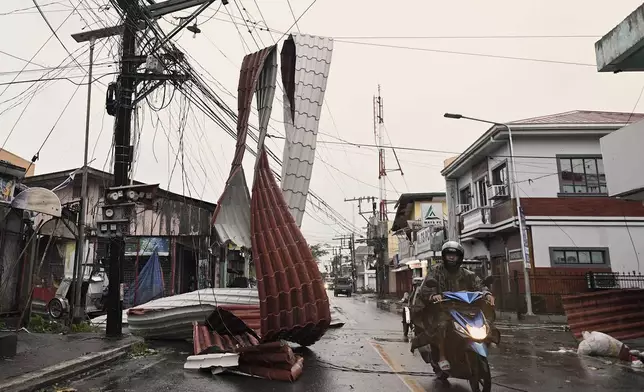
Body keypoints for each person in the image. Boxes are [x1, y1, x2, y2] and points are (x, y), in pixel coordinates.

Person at [410, 241, 494, 372]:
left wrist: (487, 293)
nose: (451, 257)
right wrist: (433, 295)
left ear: (459, 257)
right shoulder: (435, 271)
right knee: (442, 325)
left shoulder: (467, 274)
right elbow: (426, 287)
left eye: (454, 255)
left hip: (464, 310)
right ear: (444, 256)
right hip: (442, 309)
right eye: (448, 255)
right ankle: (442, 356)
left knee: (485, 322)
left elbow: (479, 285)